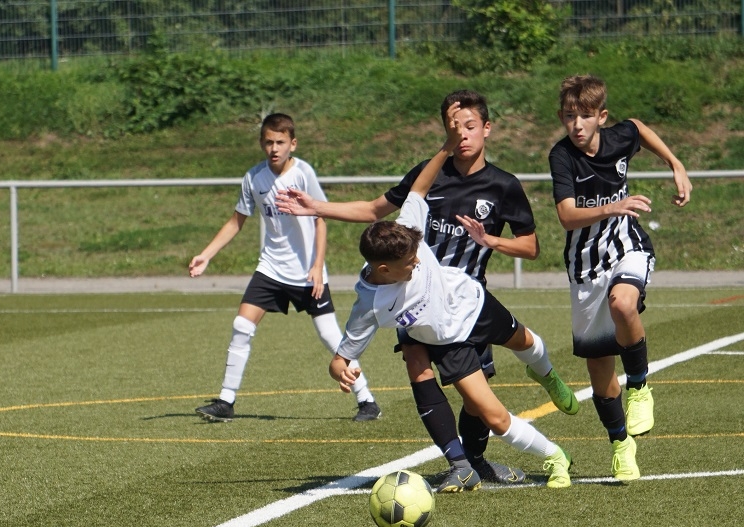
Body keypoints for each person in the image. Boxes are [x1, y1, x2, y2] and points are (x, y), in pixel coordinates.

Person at [277, 90, 577, 492]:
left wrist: (490, 240)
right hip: (418, 311)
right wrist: (315, 207)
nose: (462, 134)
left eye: (469, 126)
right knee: (427, 372)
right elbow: (375, 210)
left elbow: (531, 247)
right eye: (454, 127)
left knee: (502, 370)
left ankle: (538, 387)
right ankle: (461, 463)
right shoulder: (389, 270)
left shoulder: (502, 186)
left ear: (487, 128)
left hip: (469, 297)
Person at [190, 113, 381, 423]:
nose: (274, 148)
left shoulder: (303, 174)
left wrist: (317, 267)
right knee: (242, 326)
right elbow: (237, 221)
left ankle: (367, 400)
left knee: (330, 336)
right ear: (261, 144)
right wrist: (206, 255)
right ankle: (226, 401)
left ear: (293, 144)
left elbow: (320, 219)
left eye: (280, 142)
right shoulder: (254, 177)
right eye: (268, 142)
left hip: (307, 272)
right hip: (271, 269)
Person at [549, 74, 692, 480]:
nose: (577, 125)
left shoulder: (618, 137)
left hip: (626, 246)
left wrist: (676, 164)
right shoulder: (562, 156)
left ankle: (640, 387)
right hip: (584, 267)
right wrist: (612, 206)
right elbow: (566, 216)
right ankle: (620, 443)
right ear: (562, 118)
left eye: (585, 116)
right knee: (599, 369)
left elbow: (639, 128)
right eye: (570, 116)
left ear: (601, 117)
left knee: (623, 303)